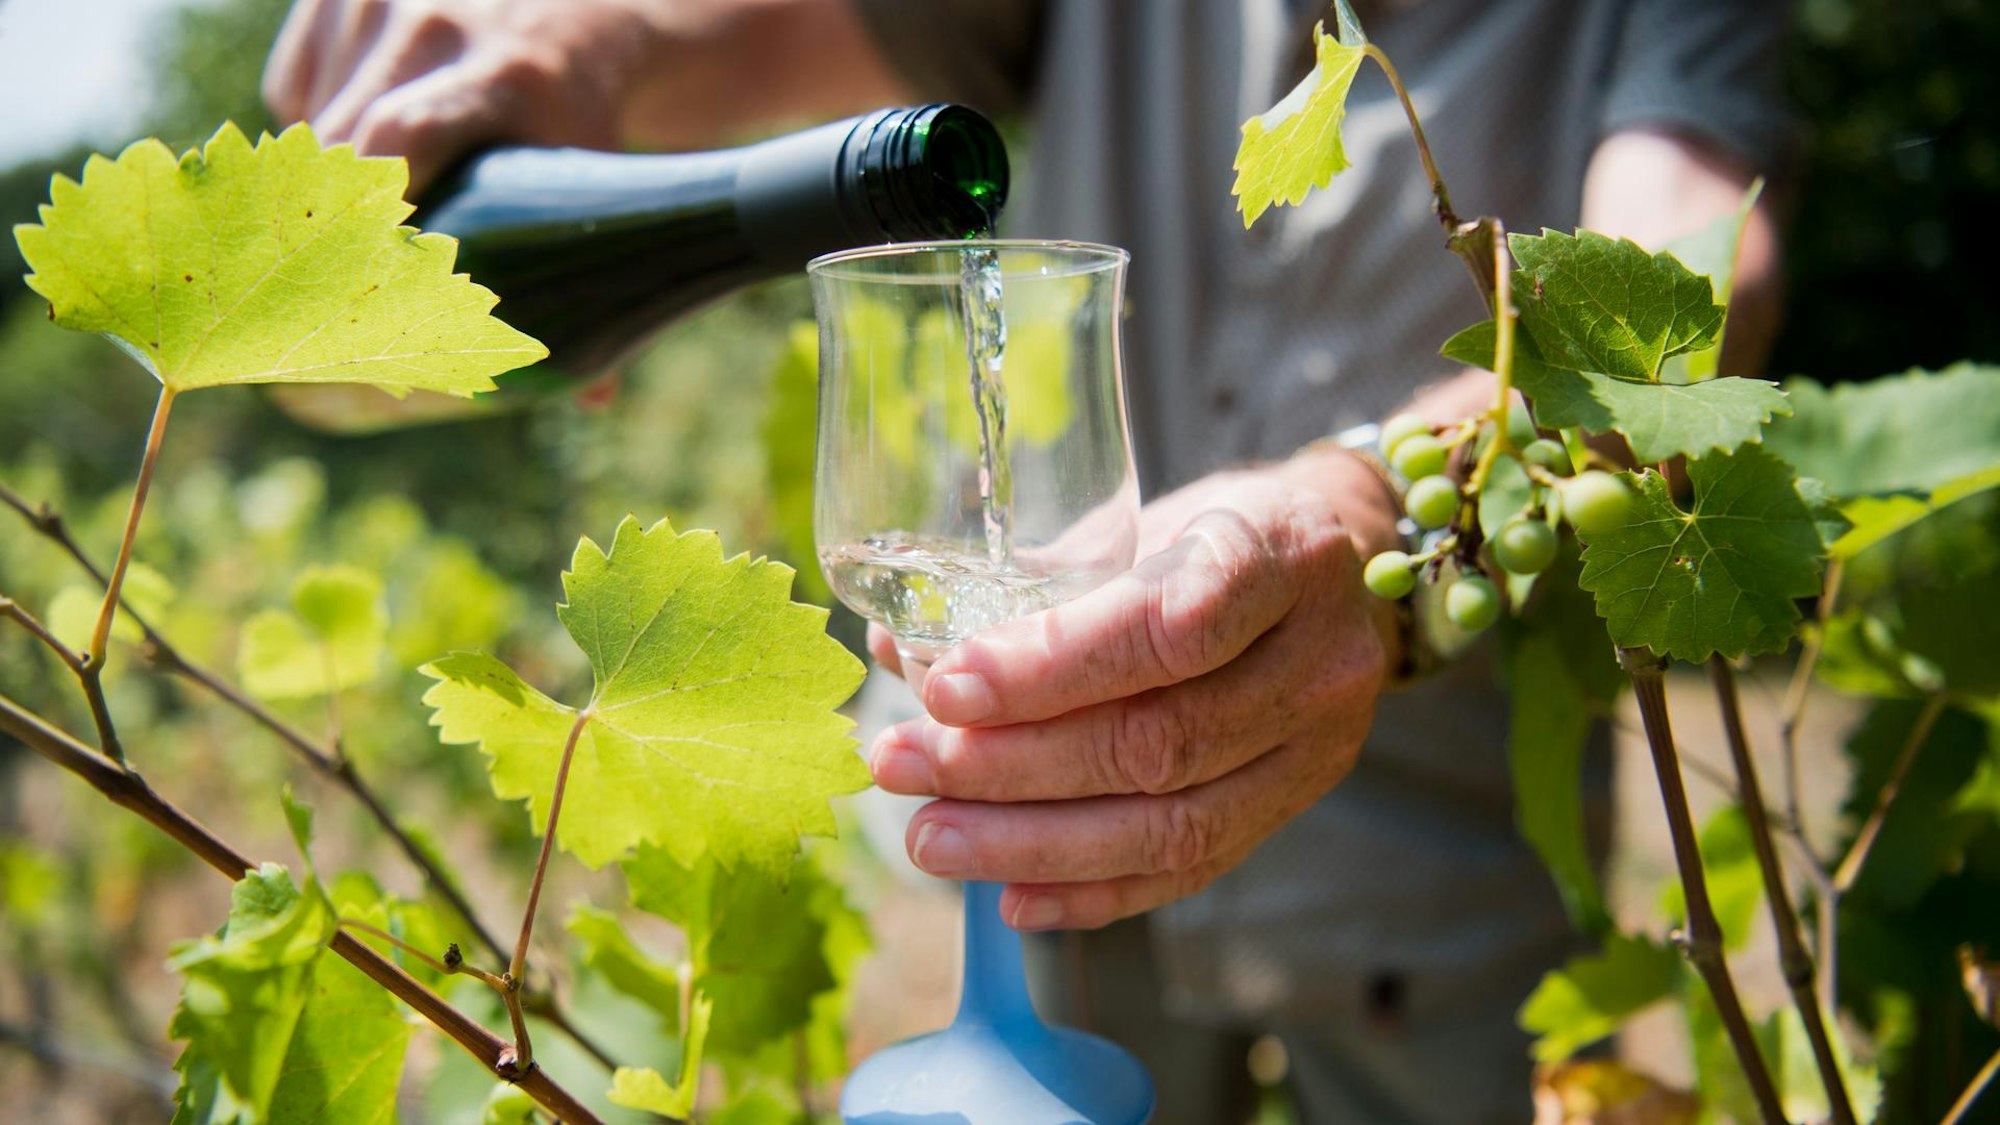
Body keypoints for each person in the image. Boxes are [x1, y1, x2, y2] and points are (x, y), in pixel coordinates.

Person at [263, 1, 1792, 1120]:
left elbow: (1696, 301)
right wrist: (594, 49)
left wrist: (1366, 514)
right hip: (1086, 907)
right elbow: (773, 32)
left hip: (1439, 887)